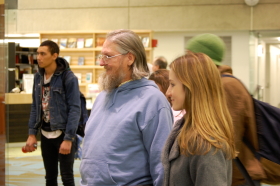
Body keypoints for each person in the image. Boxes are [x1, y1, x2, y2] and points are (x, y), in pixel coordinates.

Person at [79, 29, 173, 186]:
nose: (101, 62)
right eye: (101, 56)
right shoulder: (103, 96)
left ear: (130, 58)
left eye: (108, 56)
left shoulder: (152, 100)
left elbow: (161, 164)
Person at [186, 33, 266, 186]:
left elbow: (227, 138)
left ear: (203, 59)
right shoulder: (217, 84)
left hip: (238, 176)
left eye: (190, 57)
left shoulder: (226, 87)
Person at [162, 51, 236, 186]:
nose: (168, 92)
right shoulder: (186, 130)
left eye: (172, 85)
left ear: (192, 87)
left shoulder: (206, 144)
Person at [24, 40, 81, 186]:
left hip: (63, 134)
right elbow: (35, 107)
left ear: (54, 55)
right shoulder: (38, 77)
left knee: (67, 177)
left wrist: (68, 139)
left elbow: (75, 109)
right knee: (50, 177)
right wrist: (32, 134)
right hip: (45, 134)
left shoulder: (68, 78)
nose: (39, 57)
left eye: (43, 54)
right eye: (38, 53)